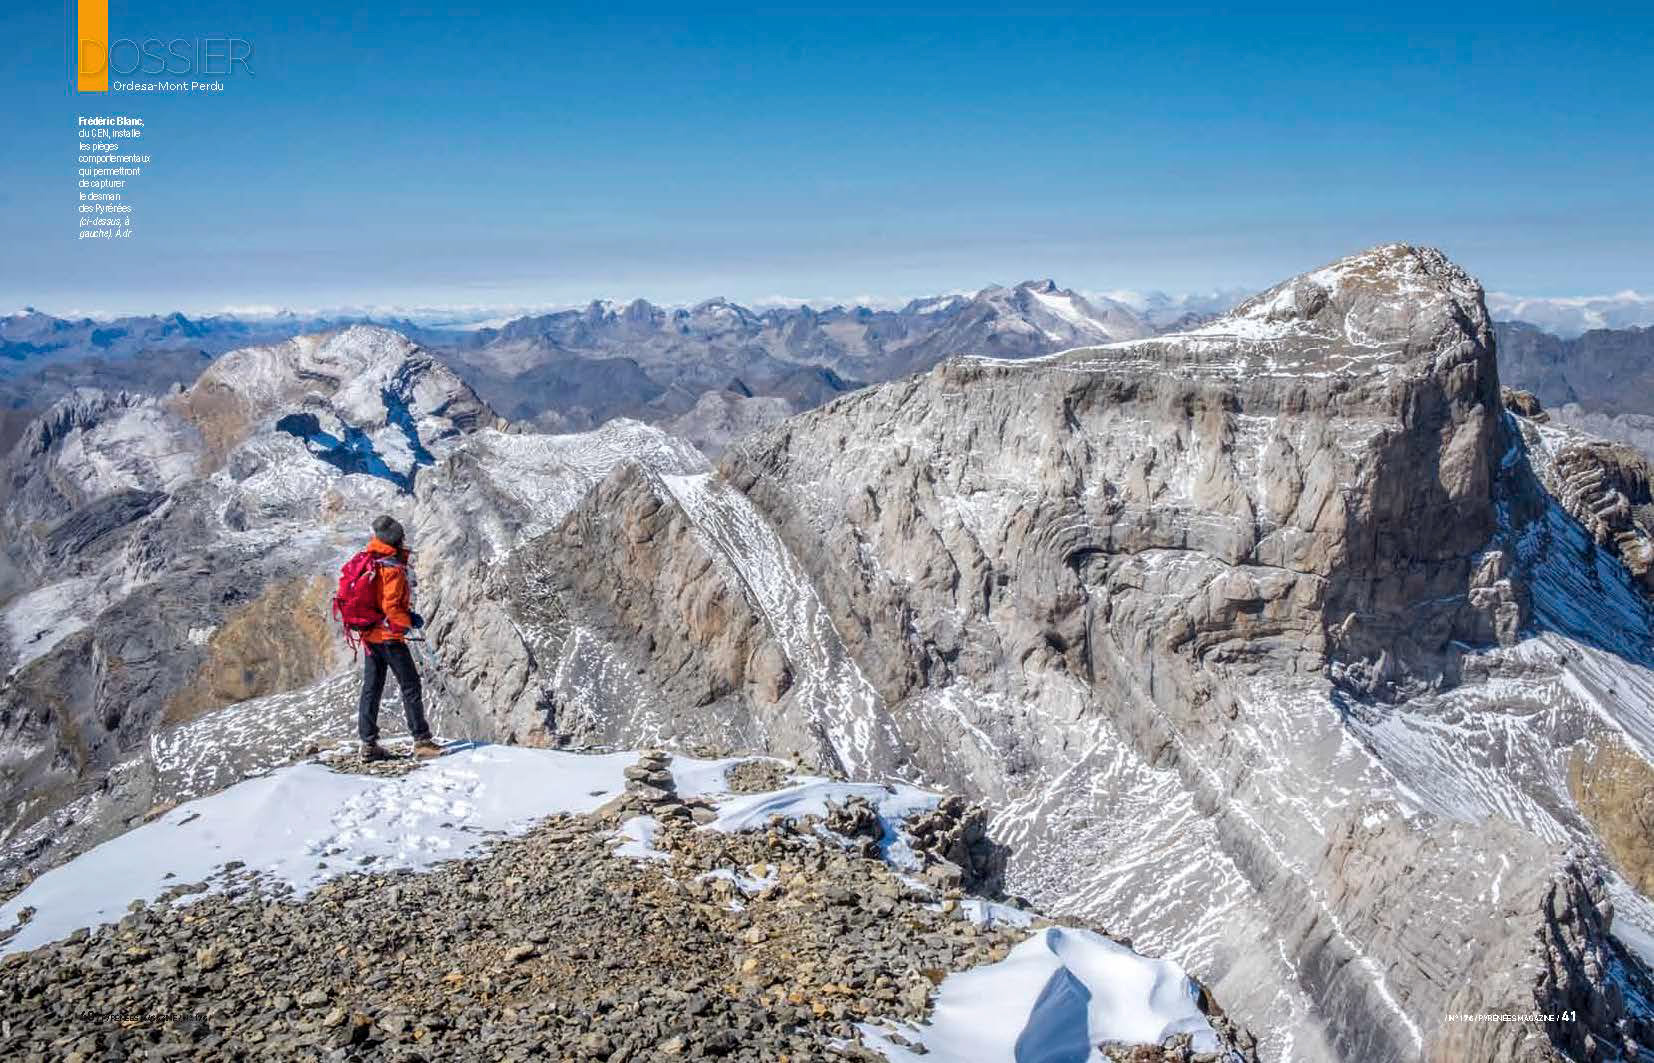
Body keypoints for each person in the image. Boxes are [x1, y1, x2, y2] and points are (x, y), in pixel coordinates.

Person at [357, 515, 442, 761]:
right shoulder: (392, 569)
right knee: (411, 685)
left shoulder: (372, 560)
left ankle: (368, 744)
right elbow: (392, 608)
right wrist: (409, 620)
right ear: (395, 539)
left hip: (371, 636)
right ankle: (422, 740)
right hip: (389, 638)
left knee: (372, 688)